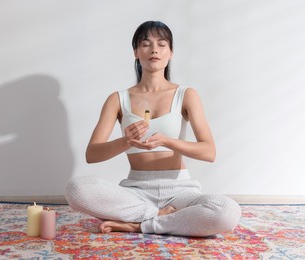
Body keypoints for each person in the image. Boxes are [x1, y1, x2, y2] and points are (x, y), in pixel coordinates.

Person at [65, 21, 241, 237]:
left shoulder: (186, 95)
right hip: (136, 191)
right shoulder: (118, 99)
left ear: (171, 53)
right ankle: (159, 214)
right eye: (146, 44)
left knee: (227, 212)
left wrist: (168, 141)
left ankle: (142, 224)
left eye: (162, 44)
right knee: (76, 189)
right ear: (136, 53)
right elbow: (92, 154)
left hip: (180, 191)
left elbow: (209, 152)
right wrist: (125, 141)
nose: (154, 49)